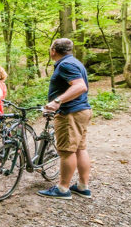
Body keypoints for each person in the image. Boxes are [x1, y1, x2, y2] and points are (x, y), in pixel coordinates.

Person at [38, 38, 93, 200]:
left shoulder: (65, 64)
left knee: (66, 151)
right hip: (81, 110)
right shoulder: (75, 62)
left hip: (70, 113)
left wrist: (57, 101)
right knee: (80, 149)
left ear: (53, 51)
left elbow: (80, 86)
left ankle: (62, 189)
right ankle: (82, 187)